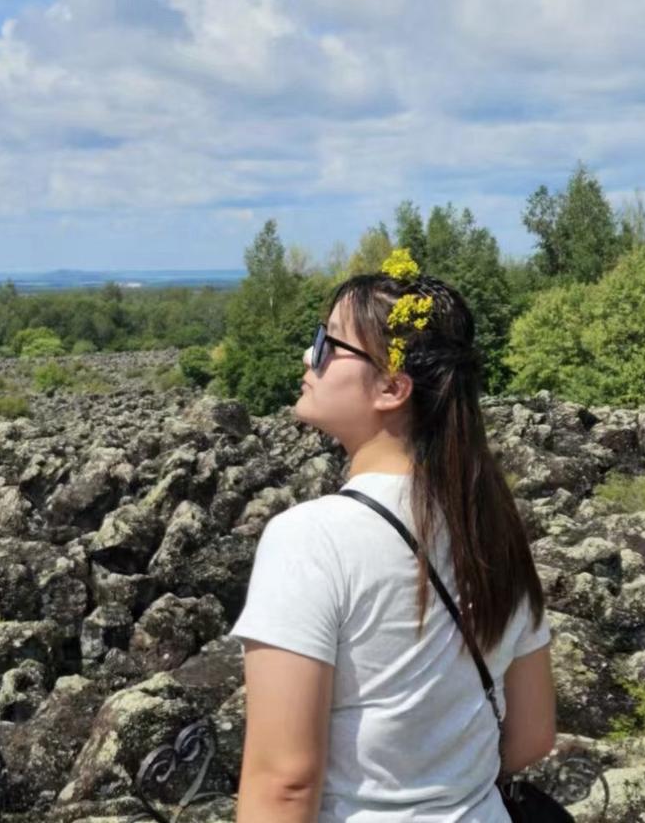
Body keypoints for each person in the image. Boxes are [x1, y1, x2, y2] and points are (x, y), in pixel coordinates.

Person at [229, 248, 557, 822]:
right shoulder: (492, 525)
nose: (311, 356)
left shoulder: (310, 538)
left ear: (391, 388)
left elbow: (284, 782)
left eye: (330, 343)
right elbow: (531, 736)